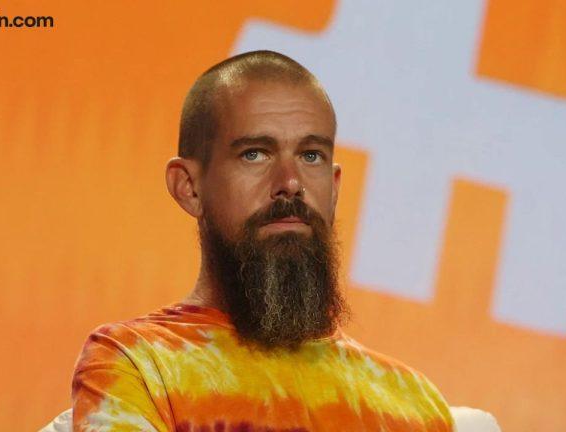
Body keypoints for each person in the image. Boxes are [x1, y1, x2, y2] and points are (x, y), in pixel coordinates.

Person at [70, 50, 455, 431]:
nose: (290, 182)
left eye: (311, 155)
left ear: (334, 187)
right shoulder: (136, 363)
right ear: (189, 186)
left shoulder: (415, 404)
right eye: (254, 154)